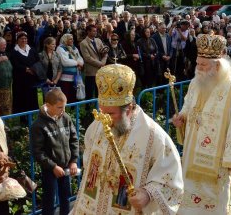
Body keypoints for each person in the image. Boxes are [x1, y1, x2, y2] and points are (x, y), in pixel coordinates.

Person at [71, 64, 184, 214]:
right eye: (101, 111)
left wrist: (147, 194)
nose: (104, 119)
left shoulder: (154, 137)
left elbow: (171, 182)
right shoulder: (96, 127)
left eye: (111, 114)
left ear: (129, 109)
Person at [172, 34, 231, 214]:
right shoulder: (196, 83)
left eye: (203, 65)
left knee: (214, 204)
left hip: (218, 165)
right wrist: (182, 117)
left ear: (217, 66)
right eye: (198, 64)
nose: (199, 69)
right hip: (192, 156)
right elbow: (188, 105)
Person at [31, 88, 79, 215]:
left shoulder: (66, 118)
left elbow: (74, 139)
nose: (63, 110)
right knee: (49, 200)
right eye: (59, 107)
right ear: (48, 106)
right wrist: (53, 166)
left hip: (66, 166)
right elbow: (38, 151)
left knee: (66, 198)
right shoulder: (38, 125)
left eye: (64, 107)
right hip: (50, 169)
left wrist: (73, 161)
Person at [10, 31, 40, 113]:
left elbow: (37, 61)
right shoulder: (14, 52)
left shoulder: (32, 49)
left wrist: (34, 70)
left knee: (31, 97)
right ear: (17, 40)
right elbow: (15, 64)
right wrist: (26, 69)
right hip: (20, 80)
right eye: (21, 39)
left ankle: (32, 114)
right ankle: (23, 118)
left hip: (31, 78)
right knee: (22, 98)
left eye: (25, 38)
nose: (24, 40)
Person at [80, 25, 108, 100]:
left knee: (99, 91)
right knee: (89, 91)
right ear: (88, 32)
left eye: (96, 31)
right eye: (93, 31)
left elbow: (105, 52)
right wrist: (101, 64)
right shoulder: (83, 43)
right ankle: (88, 108)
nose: (95, 32)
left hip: (101, 70)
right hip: (91, 71)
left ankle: (99, 107)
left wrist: (103, 62)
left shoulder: (98, 40)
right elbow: (87, 58)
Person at [56, 34, 84, 104]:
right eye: (70, 39)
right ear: (65, 40)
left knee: (74, 96)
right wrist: (77, 63)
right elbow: (65, 61)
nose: (72, 40)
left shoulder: (74, 48)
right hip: (65, 78)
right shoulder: (60, 48)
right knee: (65, 96)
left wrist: (80, 63)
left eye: (72, 39)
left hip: (76, 76)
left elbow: (80, 58)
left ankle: (74, 111)